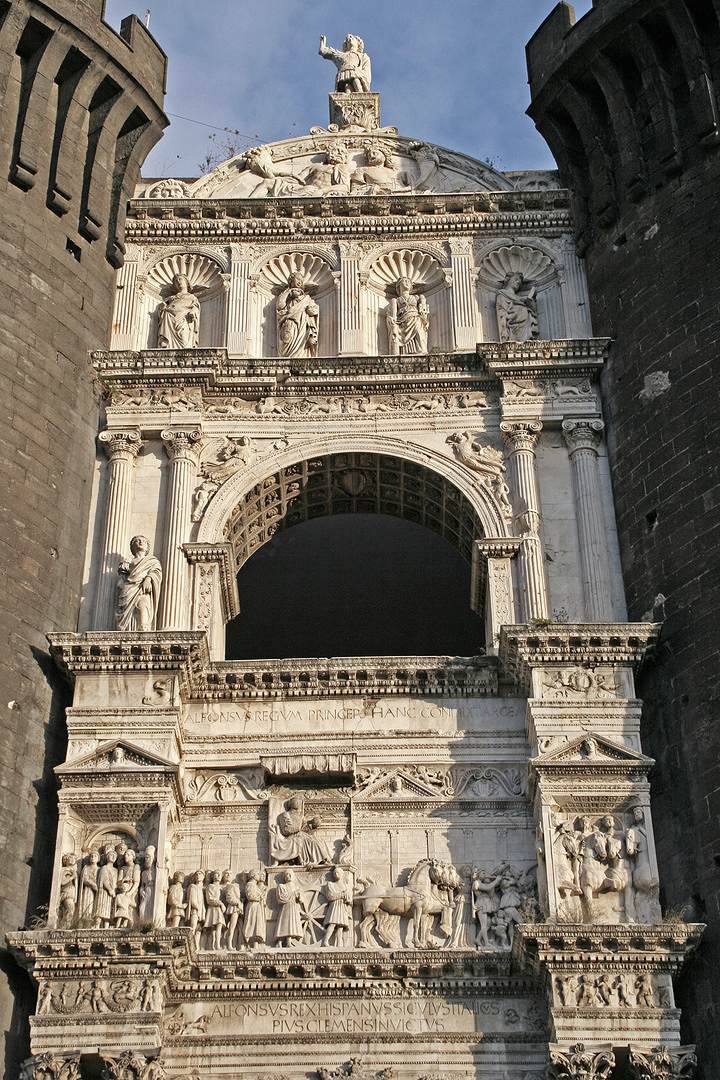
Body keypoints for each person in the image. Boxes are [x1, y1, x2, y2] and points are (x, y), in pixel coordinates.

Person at [115, 536, 162, 632]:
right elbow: (122, 575)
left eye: (143, 541)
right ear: (132, 546)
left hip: (143, 588)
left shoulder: (152, 561)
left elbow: (156, 571)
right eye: (137, 541)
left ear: (147, 547)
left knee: (143, 604)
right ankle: (127, 629)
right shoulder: (129, 561)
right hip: (129, 588)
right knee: (127, 610)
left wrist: (148, 579)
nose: (140, 542)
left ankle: (144, 627)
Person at [270, 796, 333, 866]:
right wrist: (299, 828)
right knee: (305, 841)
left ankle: (323, 859)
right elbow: (286, 830)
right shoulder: (285, 815)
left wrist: (313, 824)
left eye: (298, 801)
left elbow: (306, 827)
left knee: (315, 841)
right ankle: (316, 860)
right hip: (292, 837)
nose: (297, 803)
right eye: (295, 801)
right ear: (290, 804)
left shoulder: (300, 816)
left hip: (302, 835)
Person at [276, 273, 319, 358]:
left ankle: (300, 357)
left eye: (301, 281)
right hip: (290, 321)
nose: (300, 282)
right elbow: (280, 305)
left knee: (301, 343)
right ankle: (287, 358)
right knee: (286, 340)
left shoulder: (306, 298)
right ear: (291, 281)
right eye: (298, 279)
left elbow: (314, 310)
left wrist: (309, 309)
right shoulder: (286, 295)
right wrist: (288, 292)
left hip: (302, 323)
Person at [386, 277, 429, 355]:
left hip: (415, 317)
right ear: (399, 286)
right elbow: (393, 315)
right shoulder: (395, 300)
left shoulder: (416, 297)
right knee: (397, 329)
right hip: (402, 321)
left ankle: (420, 350)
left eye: (408, 282)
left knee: (418, 324)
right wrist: (393, 322)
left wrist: (423, 301)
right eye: (404, 281)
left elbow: (423, 309)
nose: (407, 283)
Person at [157, 273, 200, 349]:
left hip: (184, 318)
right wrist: (163, 307)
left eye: (180, 279)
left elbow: (196, 307)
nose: (178, 282)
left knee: (184, 338)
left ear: (186, 282)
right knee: (166, 314)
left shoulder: (191, 297)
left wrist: (193, 312)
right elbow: (161, 307)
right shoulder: (171, 298)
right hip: (169, 318)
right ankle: (166, 340)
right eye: (176, 281)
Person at [495, 271, 538, 342]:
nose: (518, 282)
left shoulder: (520, 299)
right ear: (508, 280)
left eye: (520, 282)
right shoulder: (502, 295)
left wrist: (530, 303)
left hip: (524, 326)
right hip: (511, 322)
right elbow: (501, 312)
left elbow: (533, 311)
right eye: (515, 279)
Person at [322, 868, 353, 947]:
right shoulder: (330, 884)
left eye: (338, 872)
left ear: (342, 874)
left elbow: (349, 899)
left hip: (343, 906)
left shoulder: (345, 886)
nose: (336, 874)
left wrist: (348, 900)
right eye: (335, 873)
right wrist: (341, 895)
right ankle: (325, 941)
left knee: (340, 926)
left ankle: (339, 944)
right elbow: (330, 896)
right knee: (332, 923)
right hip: (335, 906)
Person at [276, 870, 303, 948]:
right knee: (285, 924)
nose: (289, 876)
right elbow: (280, 898)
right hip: (286, 907)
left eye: (290, 875)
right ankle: (282, 942)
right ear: (284, 877)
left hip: (294, 907)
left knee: (292, 924)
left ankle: (287, 942)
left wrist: (299, 896)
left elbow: (300, 900)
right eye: (287, 875)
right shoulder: (281, 886)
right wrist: (293, 894)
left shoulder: (296, 887)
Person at [243, 869, 267, 950]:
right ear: (253, 875)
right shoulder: (249, 884)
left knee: (257, 925)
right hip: (253, 906)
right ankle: (250, 943)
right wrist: (259, 897)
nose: (259, 876)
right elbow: (250, 896)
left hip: (257, 907)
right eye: (257, 874)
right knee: (252, 923)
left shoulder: (256, 886)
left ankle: (256, 944)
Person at [203, 870, 226, 951]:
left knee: (218, 926)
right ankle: (215, 945)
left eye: (220, 874)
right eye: (216, 874)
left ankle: (215, 945)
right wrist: (221, 903)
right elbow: (210, 899)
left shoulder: (221, 888)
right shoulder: (210, 886)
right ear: (212, 876)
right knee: (216, 926)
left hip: (219, 909)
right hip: (213, 908)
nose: (219, 876)